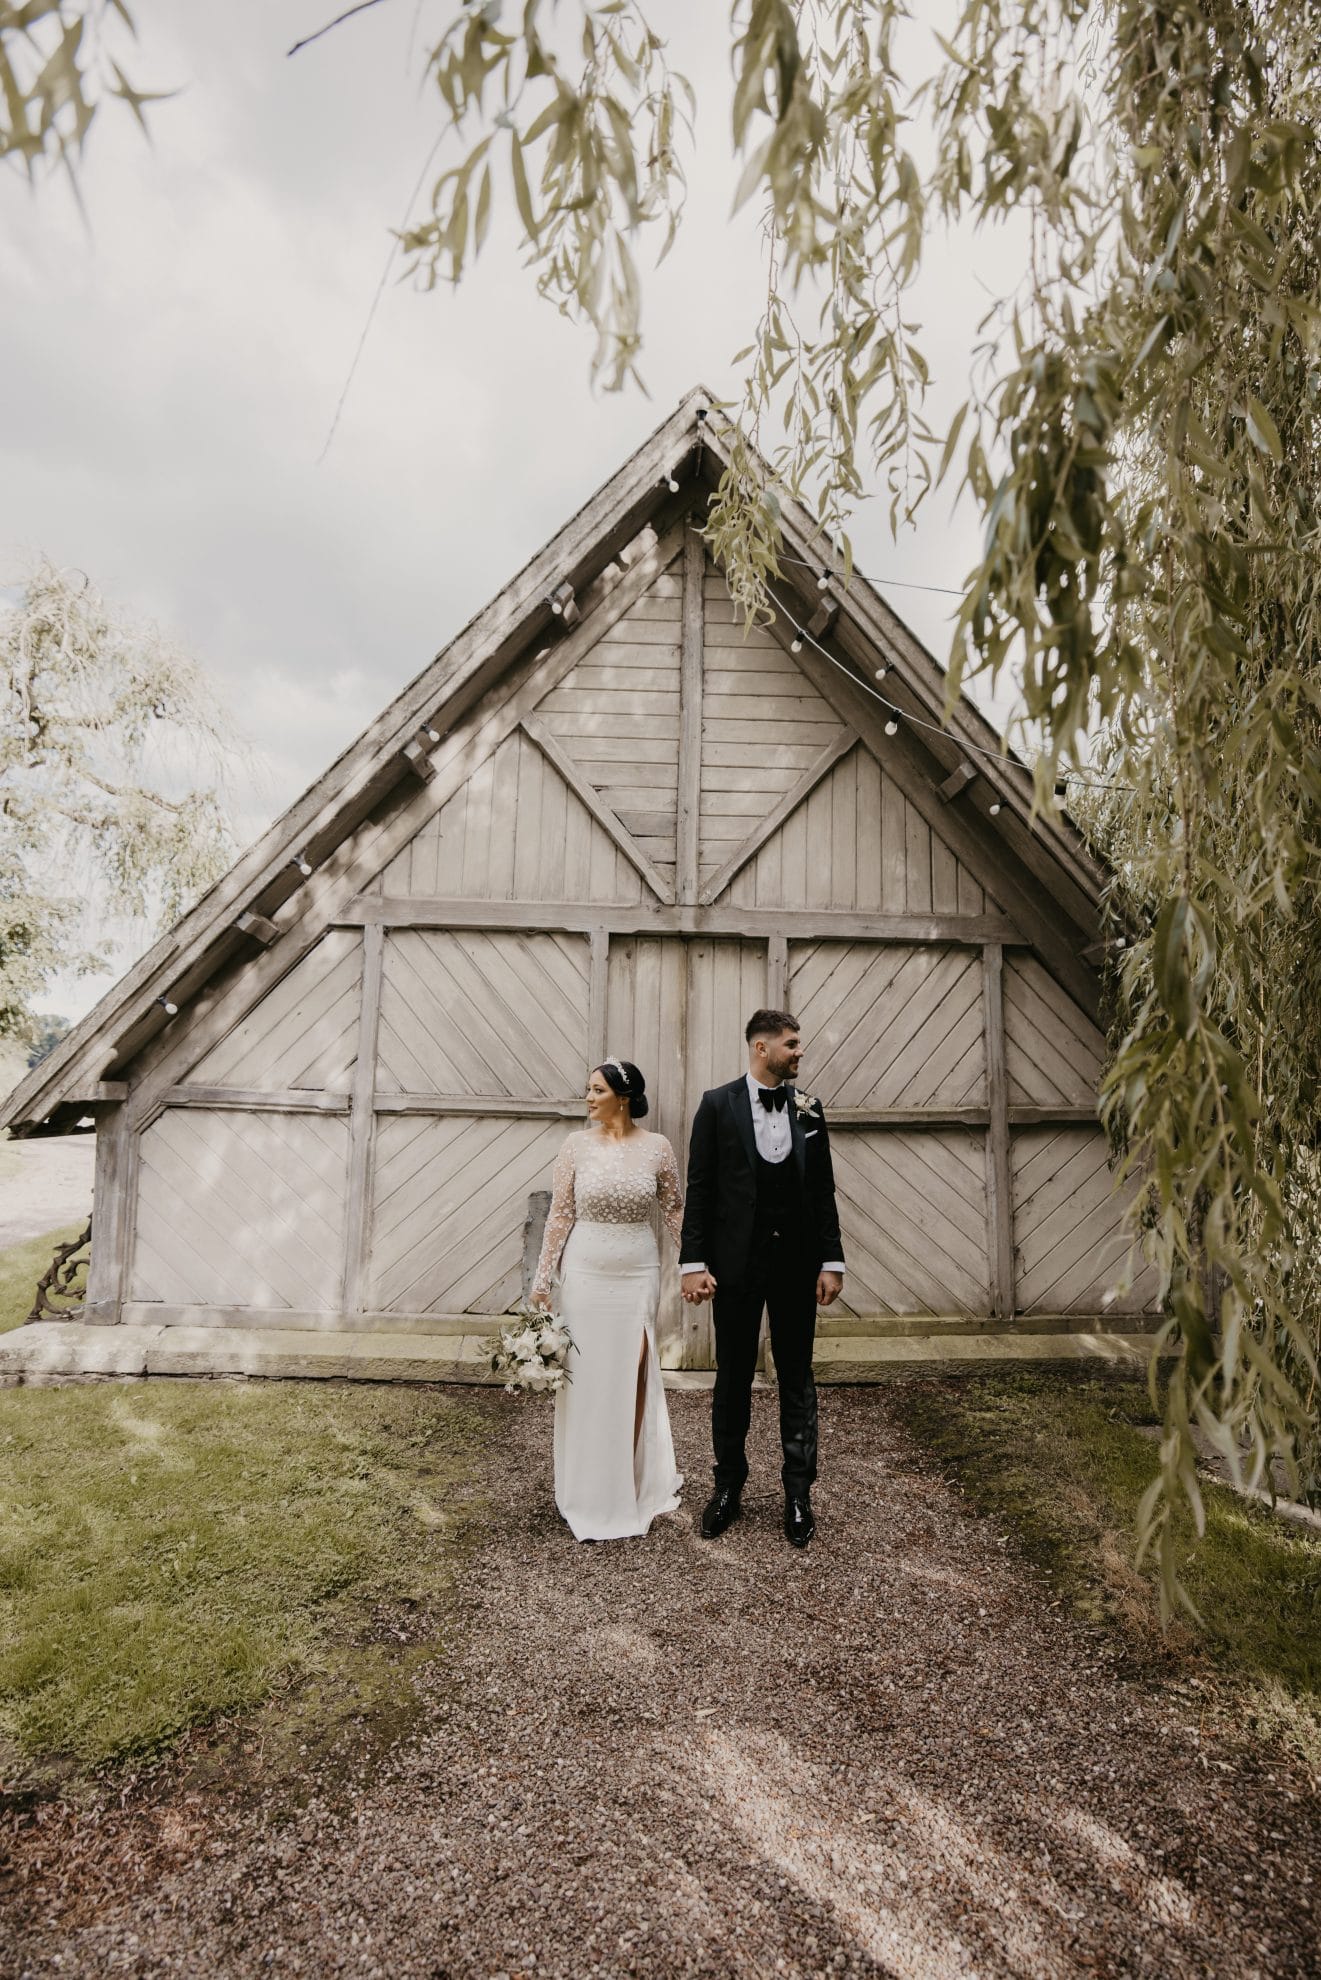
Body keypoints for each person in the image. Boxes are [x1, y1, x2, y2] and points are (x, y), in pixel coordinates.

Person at [678, 1009, 845, 1549]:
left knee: (797, 1377)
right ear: (761, 1048)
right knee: (732, 1377)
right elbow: (700, 1188)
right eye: (791, 1045)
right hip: (734, 1267)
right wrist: (693, 1262)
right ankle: (727, 1487)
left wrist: (831, 1261)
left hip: (797, 1266)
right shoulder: (715, 1105)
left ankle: (799, 1493)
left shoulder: (810, 1109)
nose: (799, 1053)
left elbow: (822, 1192)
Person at [529, 1058, 685, 1542]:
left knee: (632, 1373)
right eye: (588, 1090)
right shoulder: (574, 1145)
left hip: (637, 1270)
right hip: (585, 1272)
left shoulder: (658, 1147)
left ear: (623, 1095)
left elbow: (674, 1209)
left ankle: (630, 1483)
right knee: (587, 1378)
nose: (589, 1098)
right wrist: (542, 1282)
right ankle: (586, 1486)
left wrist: (698, 1263)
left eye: (597, 1090)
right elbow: (560, 1216)